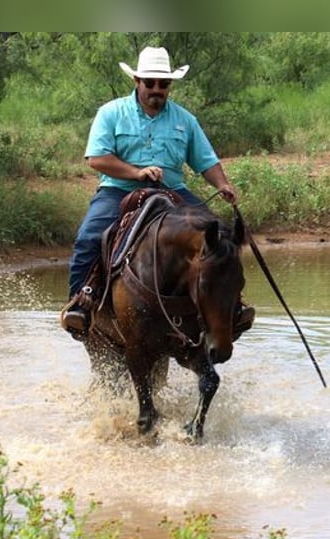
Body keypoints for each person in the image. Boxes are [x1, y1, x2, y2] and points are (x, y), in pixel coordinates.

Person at [61, 46, 254, 337]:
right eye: (149, 82)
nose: (156, 89)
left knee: (220, 236)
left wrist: (222, 184)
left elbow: (205, 160)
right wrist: (137, 172)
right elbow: (97, 159)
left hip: (172, 191)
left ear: (169, 86)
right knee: (89, 236)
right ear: (137, 81)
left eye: (162, 84)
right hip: (118, 190)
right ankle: (80, 303)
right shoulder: (111, 113)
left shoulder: (185, 120)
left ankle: (231, 305)